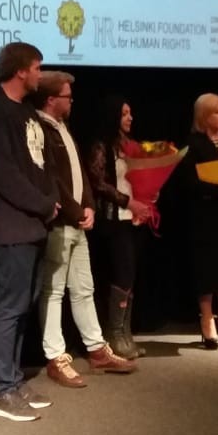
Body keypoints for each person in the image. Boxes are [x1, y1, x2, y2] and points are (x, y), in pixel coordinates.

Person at [32, 71, 136, 387]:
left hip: (77, 222)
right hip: (60, 223)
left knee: (84, 287)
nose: (72, 101)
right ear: (51, 99)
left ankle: (96, 348)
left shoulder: (63, 127)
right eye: (67, 96)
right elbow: (52, 179)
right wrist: (76, 211)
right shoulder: (40, 129)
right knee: (53, 291)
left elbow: (80, 174)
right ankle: (55, 356)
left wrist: (89, 205)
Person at [0, 42, 58, 422]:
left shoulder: (26, 111)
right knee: (10, 307)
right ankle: (2, 390)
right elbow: (5, 175)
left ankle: (15, 378)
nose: (40, 74)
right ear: (20, 70)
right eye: (37, 67)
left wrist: (51, 201)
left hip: (35, 225)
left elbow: (42, 164)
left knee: (24, 306)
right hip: (11, 228)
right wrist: (43, 204)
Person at [85, 97, 153, 360]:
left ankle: (126, 333)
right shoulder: (102, 145)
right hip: (114, 220)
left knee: (131, 277)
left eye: (130, 113)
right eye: (124, 113)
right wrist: (128, 202)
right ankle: (115, 334)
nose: (130, 118)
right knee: (122, 276)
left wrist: (149, 196)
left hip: (133, 219)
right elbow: (98, 182)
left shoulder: (130, 145)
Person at [180, 94, 218, 348]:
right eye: (217, 112)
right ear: (204, 116)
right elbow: (189, 182)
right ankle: (207, 320)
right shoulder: (193, 144)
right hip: (205, 215)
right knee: (207, 267)